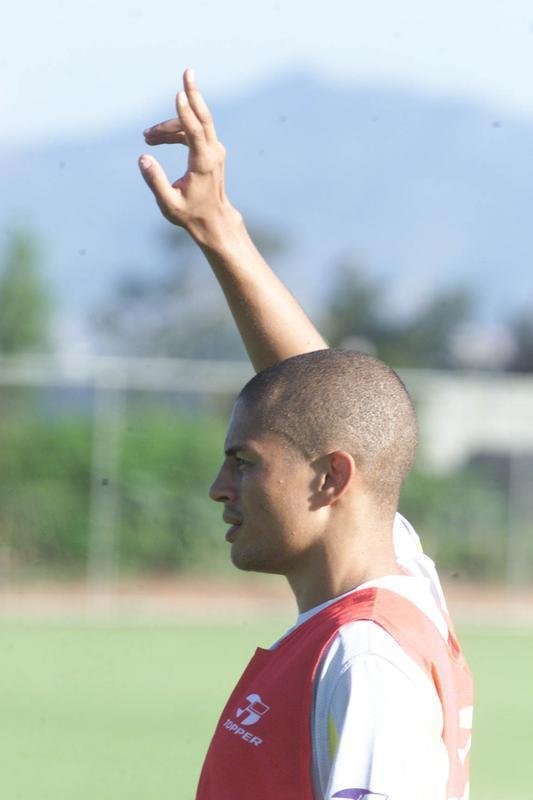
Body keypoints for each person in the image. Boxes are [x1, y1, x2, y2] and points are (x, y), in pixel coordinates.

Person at [138, 69, 473, 800]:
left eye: (244, 464)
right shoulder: (398, 586)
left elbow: (324, 412)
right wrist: (217, 228)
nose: (218, 488)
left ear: (331, 479)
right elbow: (319, 399)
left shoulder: (365, 659)